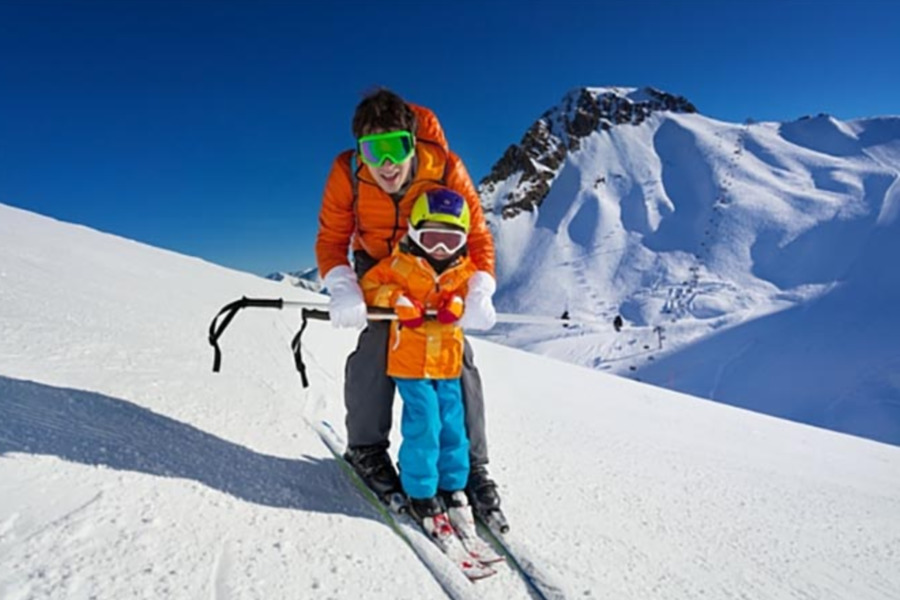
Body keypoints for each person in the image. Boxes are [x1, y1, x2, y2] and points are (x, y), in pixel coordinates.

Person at [315, 88, 503, 521]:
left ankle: (472, 464)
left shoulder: (446, 168)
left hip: (433, 257)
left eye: (396, 147)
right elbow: (331, 238)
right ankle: (366, 449)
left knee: (454, 350)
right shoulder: (347, 172)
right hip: (378, 264)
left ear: (412, 142)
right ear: (360, 151)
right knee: (382, 339)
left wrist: (480, 288)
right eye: (372, 150)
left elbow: (475, 235)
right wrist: (343, 285)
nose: (385, 164)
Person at [360, 187, 477, 533]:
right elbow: (369, 286)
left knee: (453, 424)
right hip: (410, 363)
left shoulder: (463, 271)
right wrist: (397, 299)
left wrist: (458, 302)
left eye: (450, 240)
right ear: (414, 233)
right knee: (425, 423)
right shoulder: (399, 265)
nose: (440, 248)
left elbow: (474, 293)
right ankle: (421, 489)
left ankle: (452, 483)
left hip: (447, 363)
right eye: (432, 238)